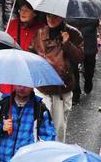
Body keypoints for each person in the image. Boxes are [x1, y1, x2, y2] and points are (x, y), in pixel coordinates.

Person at [28, 12, 83, 142]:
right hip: (42, 88)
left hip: (61, 90)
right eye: (48, 16)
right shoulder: (40, 33)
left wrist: (67, 43)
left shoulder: (74, 34)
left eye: (54, 16)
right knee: (40, 127)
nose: (50, 19)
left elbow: (79, 58)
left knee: (58, 130)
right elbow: (30, 53)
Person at [62, 0, 101, 103]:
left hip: (89, 28)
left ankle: (88, 80)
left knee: (89, 59)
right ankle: (76, 92)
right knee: (72, 62)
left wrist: (98, 21)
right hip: (73, 28)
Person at [0, 85, 57, 162]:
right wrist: (2, 128)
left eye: (26, 85)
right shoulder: (3, 104)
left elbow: (49, 137)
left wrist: (37, 152)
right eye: (19, 85)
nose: (22, 88)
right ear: (14, 85)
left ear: (32, 86)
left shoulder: (39, 108)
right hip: (3, 159)